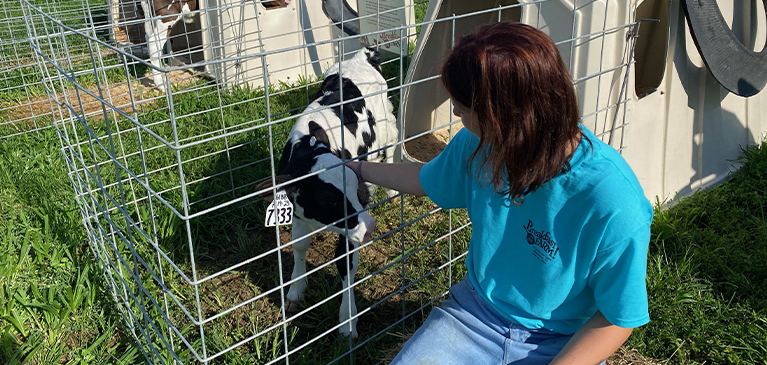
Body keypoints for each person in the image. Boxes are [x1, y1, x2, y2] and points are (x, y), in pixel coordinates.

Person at [346, 22, 653, 364]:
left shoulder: (613, 202)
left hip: (560, 339)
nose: (456, 114)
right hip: (475, 316)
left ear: (506, 117)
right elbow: (427, 179)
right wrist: (356, 168)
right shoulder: (480, 143)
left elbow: (616, 318)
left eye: (462, 108)